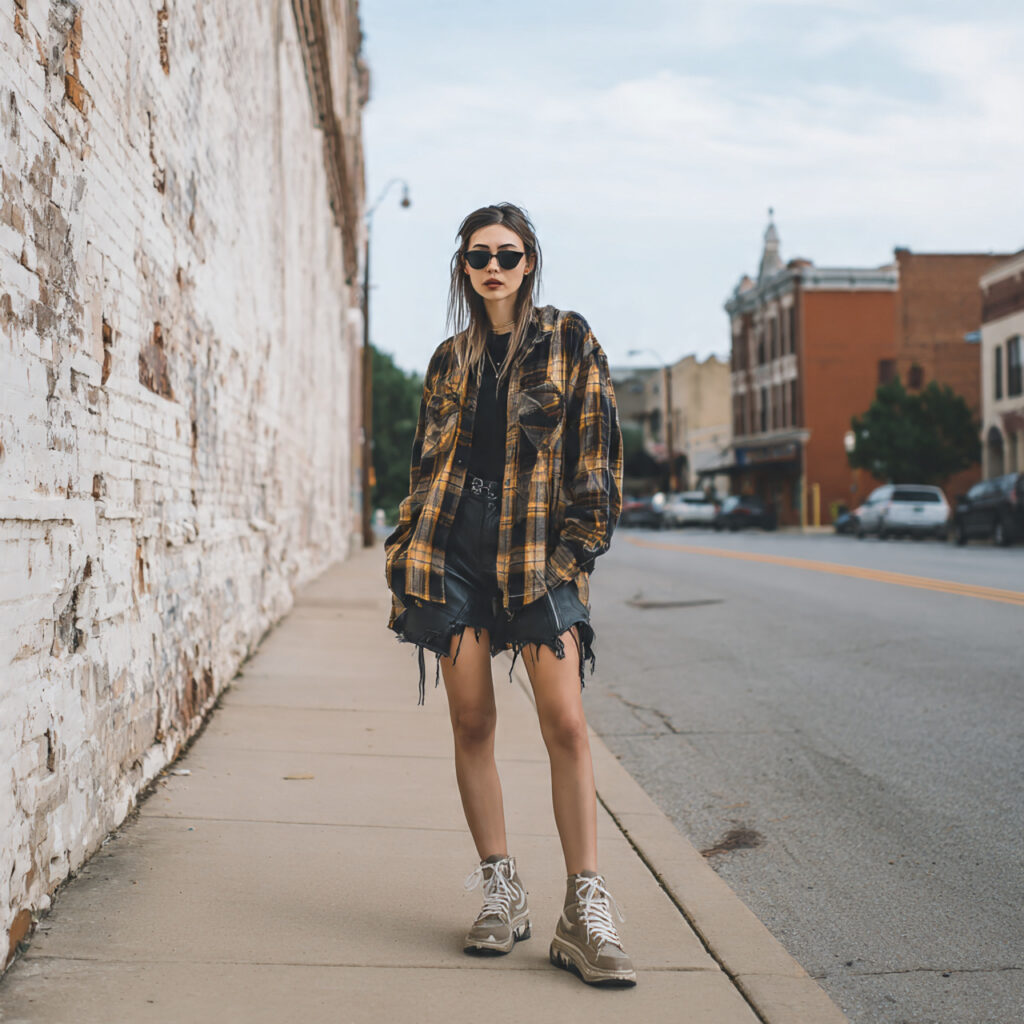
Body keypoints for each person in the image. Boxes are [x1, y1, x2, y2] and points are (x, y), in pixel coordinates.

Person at [383, 203, 634, 987]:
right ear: (463, 266)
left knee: (565, 721)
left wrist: (576, 551)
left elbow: (596, 459)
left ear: (530, 263)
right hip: (454, 549)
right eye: (479, 255)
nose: (495, 266)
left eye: (510, 254)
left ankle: (583, 911)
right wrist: (406, 544)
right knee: (472, 721)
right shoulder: (448, 360)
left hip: (538, 552)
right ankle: (501, 889)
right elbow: (426, 467)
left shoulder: (568, 340)